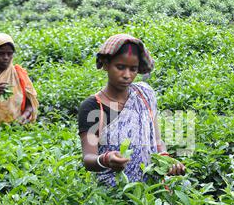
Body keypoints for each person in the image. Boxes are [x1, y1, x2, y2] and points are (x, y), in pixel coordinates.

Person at [78, 34, 186, 187]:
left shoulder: (144, 95)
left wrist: (167, 161)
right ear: (106, 64)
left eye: (133, 69)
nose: (127, 75)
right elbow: (89, 158)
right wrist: (106, 159)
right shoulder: (93, 107)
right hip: (113, 197)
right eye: (120, 67)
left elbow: (156, 141)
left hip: (151, 192)